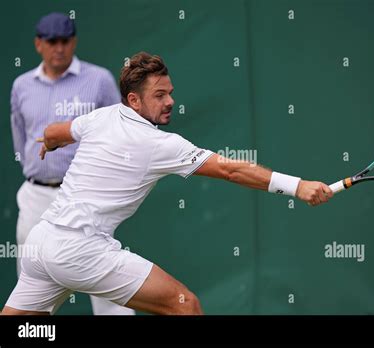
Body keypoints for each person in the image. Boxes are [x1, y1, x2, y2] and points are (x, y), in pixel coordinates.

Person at [2, 52, 333, 315]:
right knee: (184, 305)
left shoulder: (100, 117)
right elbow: (231, 170)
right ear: (134, 100)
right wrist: (298, 185)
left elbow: (54, 131)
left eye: (170, 93)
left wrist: (49, 142)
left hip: (41, 244)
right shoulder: (161, 144)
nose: (170, 101)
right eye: (159, 95)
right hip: (80, 250)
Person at [9, 12, 135, 315]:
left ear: (74, 41)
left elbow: (118, 133)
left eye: (65, 41)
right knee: (32, 281)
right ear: (39, 44)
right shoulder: (21, 86)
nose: (59, 48)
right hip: (36, 195)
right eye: (52, 42)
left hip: (86, 194)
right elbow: (21, 139)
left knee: (104, 274)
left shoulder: (99, 80)